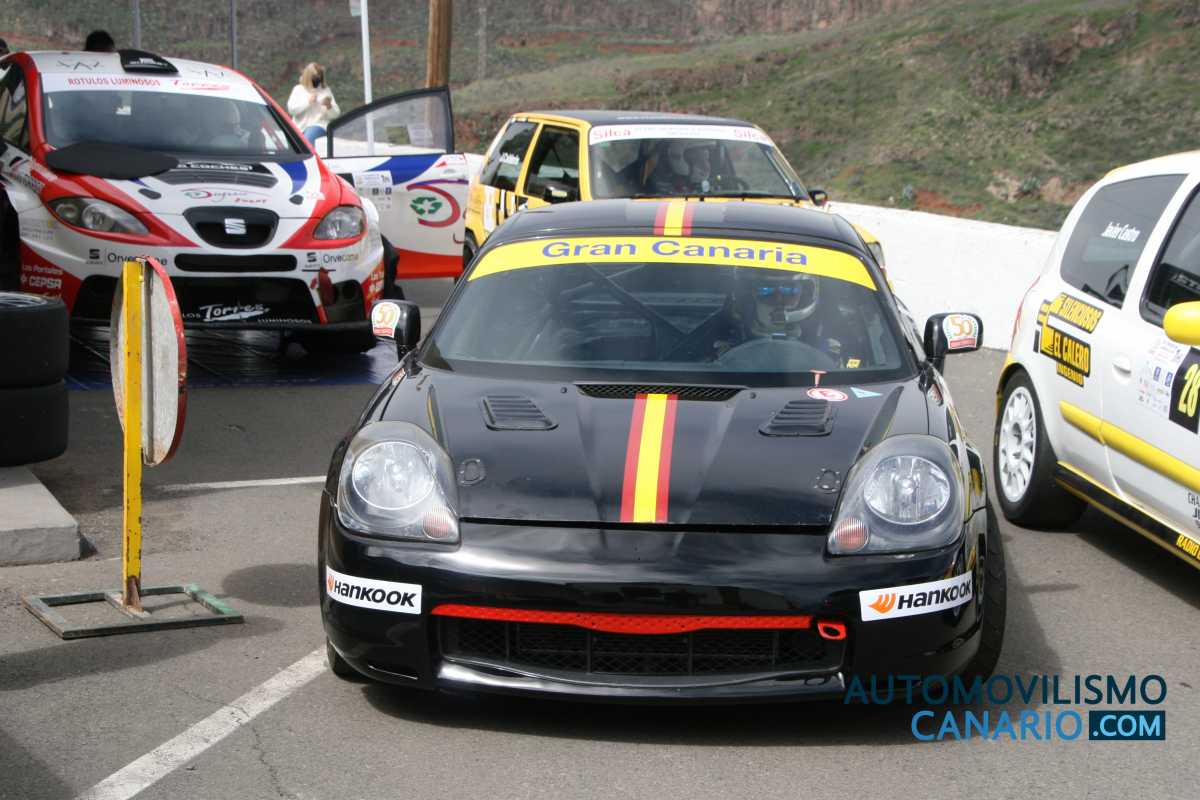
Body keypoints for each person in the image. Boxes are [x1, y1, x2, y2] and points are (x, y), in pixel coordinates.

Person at [287, 63, 340, 146]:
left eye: (319, 76)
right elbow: (292, 110)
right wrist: (308, 102)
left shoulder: (325, 90)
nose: (318, 78)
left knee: (308, 140)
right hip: (299, 128)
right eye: (315, 76)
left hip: (319, 125)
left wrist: (329, 106)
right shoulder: (298, 89)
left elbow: (336, 114)